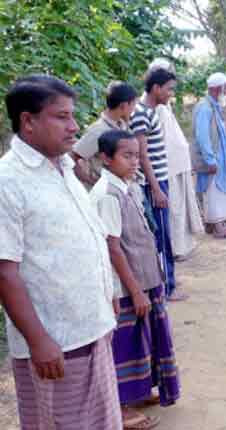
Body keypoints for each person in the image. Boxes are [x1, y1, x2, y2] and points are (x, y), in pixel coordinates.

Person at [0, 75, 122, 429]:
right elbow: (4, 271)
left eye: (73, 116)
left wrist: (108, 292)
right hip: (56, 342)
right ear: (28, 121)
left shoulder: (63, 167)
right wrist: (38, 340)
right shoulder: (8, 180)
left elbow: (87, 237)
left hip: (91, 326)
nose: (74, 127)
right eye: (62, 116)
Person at [91, 130, 181, 430]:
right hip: (128, 286)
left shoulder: (128, 186)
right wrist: (135, 291)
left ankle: (139, 393)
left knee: (146, 339)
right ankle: (120, 407)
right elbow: (113, 248)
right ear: (106, 158)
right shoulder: (107, 195)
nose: (134, 162)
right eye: (126, 156)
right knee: (125, 345)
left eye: (136, 155)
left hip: (144, 278)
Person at [131, 68, 185, 301]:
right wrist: (155, 189)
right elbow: (142, 156)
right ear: (156, 88)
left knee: (164, 232)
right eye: (169, 89)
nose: (171, 94)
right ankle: (166, 288)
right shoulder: (142, 114)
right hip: (154, 184)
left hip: (160, 180)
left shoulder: (150, 112)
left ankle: (167, 280)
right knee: (160, 235)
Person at [146, 59, 203, 260]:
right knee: (174, 210)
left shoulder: (164, 105)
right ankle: (176, 249)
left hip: (178, 165)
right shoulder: (153, 109)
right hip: (166, 168)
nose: (171, 90)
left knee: (180, 209)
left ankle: (183, 246)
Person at [192, 72, 226, 239]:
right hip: (213, 159)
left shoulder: (214, 106)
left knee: (220, 192)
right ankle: (218, 227)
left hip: (222, 158)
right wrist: (210, 160)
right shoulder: (204, 107)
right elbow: (202, 136)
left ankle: (217, 225)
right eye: (225, 88)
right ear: (218, 89)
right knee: (214, 192)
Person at [72, 81, 138, 189]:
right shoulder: (98, 131)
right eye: (133, 105)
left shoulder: (121, 125)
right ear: (124, 106)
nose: (134, 109)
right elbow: (73, 157)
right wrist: (91, 182)